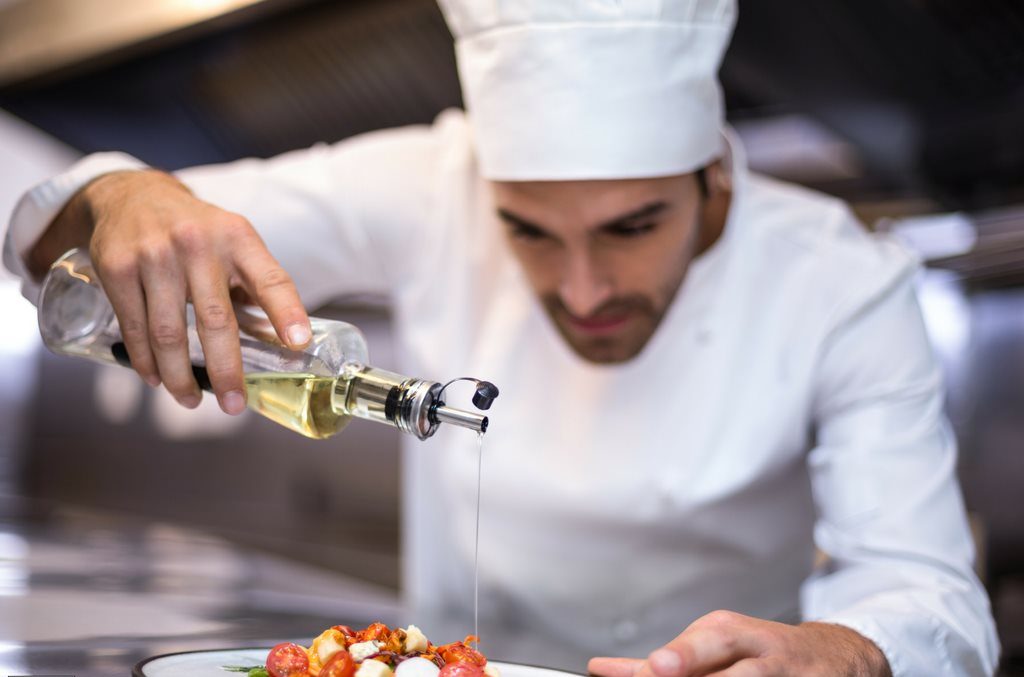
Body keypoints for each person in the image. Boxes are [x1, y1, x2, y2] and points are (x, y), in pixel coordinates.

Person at [2, 0, 999, 674]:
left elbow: (929, 588)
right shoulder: (432, 178)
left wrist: (846, 647)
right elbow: (63, 244)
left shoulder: (845, 278)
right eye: (526, 229)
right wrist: (117, 191)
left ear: (715, 175)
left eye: (631, 225)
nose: (581, 287)